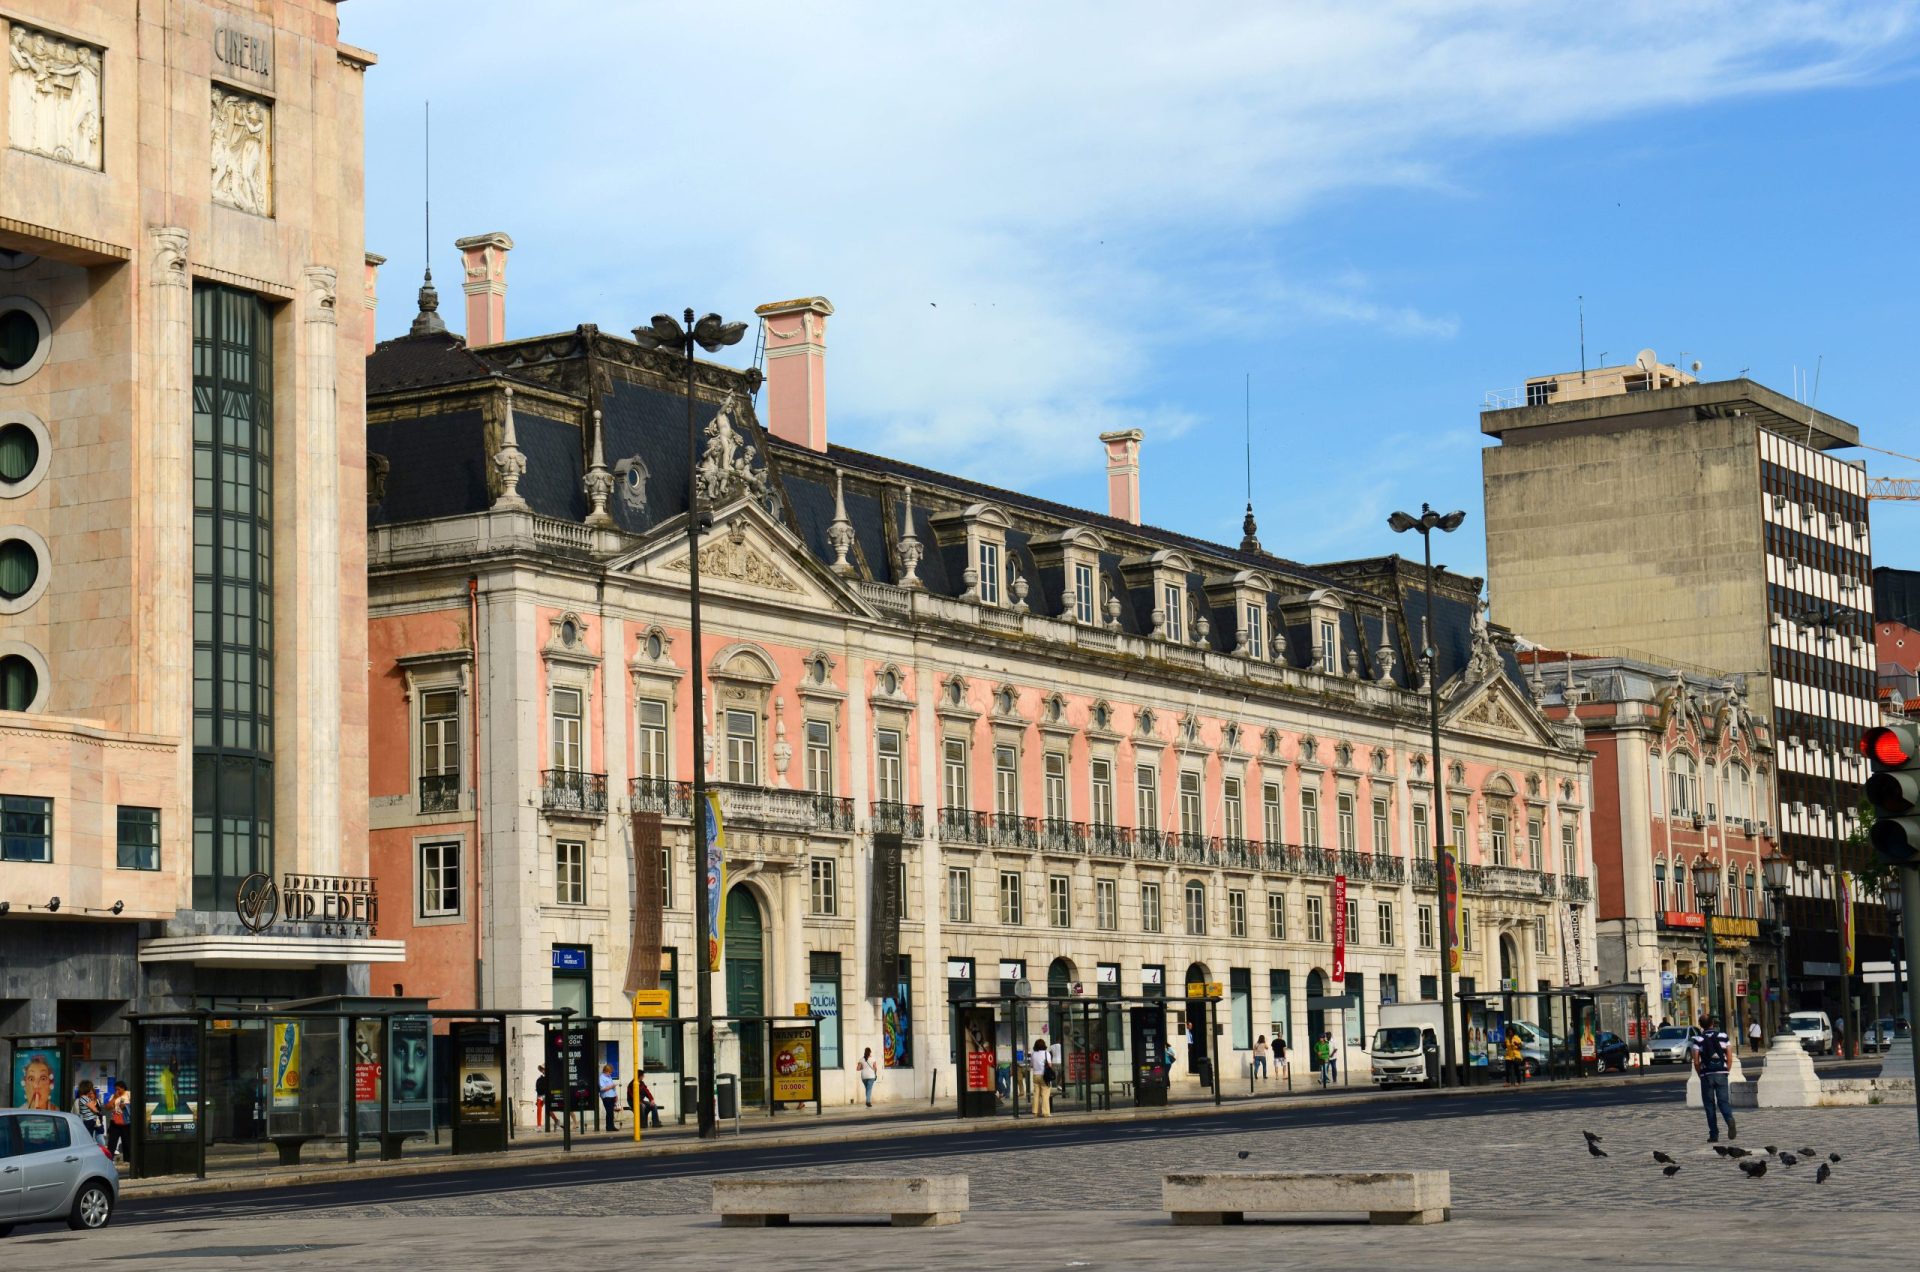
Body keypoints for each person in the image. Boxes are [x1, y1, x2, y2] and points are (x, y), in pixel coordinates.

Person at [1689, 1013, 1736, 1143]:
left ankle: (1714, 1135)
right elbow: (1730, 1056)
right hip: (1721, 1073)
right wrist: (1727, 1071)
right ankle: (1729, 1119)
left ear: (1700, 1025)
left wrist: (1700, 1074)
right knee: (1723, 1102)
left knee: (1709, 1106)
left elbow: (1696, 1060)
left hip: (1707, 1075)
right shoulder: (1723, 1036)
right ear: (1712, 1023)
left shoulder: (1698, 1039)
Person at [72, 1080, 104, 1145]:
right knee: (89, 1139)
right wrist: (98, 1112)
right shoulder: (84, 1098)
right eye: (90, 1087)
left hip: (90, 1121)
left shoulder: (84, 1098)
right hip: (89, 1121)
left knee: (93, 1137)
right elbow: (94, 1109)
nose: (91, 1090)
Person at [105, 1085, 131, 1164]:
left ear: (123, 1088)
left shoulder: (129, 1094)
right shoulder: (114, 1096)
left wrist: (126, 1106)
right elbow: (108, 1107)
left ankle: (127, 1159)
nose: (117, 1091)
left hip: (126, 1121)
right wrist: (114, 1098)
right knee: (112, 1141)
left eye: (119, 1089)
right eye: (116, 1089)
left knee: (127, 1141)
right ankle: (110, 1159)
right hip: (115, 1121)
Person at [1029, 1037, 1053, 1117]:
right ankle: (1046, 1113)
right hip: (1044, 1076)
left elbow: (1031, 1065)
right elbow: (1049, 1065)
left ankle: (1035, 1112)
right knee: (1045, 1094)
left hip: (1035, 1076)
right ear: (1044, 1045)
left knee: (1036, 1094)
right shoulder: (1047, 1054)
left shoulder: (1033, 1054)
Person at [598, 1064, 618, 1131]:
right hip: (606, 1097)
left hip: (612, 1096)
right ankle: (608, 1127)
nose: (610, 1073)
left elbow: (613, 1086)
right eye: (609, 1072)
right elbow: (602, 1088)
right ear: (605, 1071)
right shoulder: (601, 1077)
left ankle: (612, 1126)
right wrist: (611, 1087)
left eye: (611, 1072)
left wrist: (616, 1095)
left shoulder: (609, 1077)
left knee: (611, 1112)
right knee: (609, 1112)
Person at [534, 1065, 550, 1130]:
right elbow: (538, 1089)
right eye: (542, 1069)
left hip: (546, 1095)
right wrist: (536, 1099)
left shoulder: (549, 1077)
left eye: (543, 1069)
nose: (543, 1070)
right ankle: (539, 1126)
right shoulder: (540, 1078)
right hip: (540, 1096)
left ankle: (556, 1120)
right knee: (539, 1110)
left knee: (549, 1110)